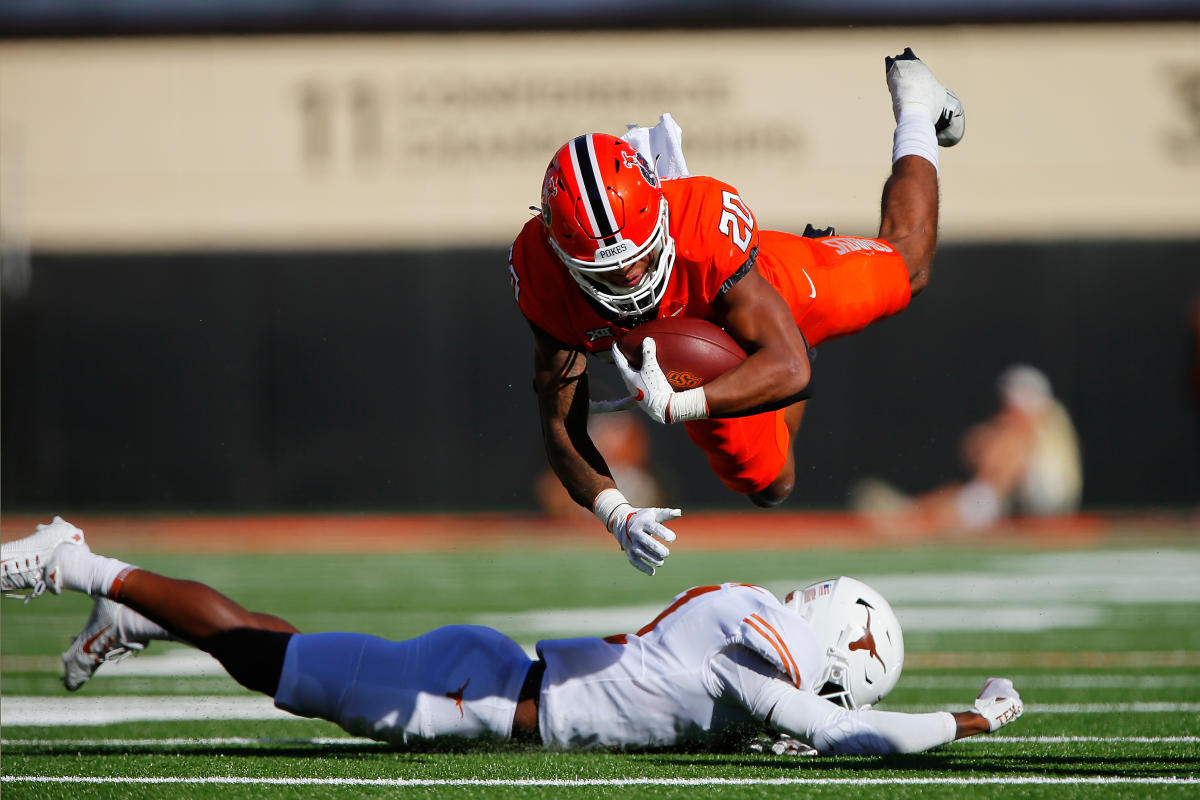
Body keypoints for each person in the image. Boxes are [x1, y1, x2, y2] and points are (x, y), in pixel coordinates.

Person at [2, 517, 1023, 754]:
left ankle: (135, 611)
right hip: (476, 695)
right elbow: (846, 733)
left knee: (293, 658)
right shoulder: (757, 644)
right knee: (280, 663)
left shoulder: (754, 617)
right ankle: (82, 561)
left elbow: (804, 713)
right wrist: (969, 718)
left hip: (492, 681)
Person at [507, 48, 966, 574]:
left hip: (755, 289)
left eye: (638, 257)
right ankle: (779, 343)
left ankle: (916, 105)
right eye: (608, 271)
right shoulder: (542, 276)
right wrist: (619, 515)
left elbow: (793, 369)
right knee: (772, 485)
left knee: (910, 267)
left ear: (660, 217)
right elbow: (561, 428)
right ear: (561, 253)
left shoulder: (700, 228)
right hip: (698, 358)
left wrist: (683, 406)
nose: (630, 278)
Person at [853, 364, 1082, 530]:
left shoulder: (1025, 428)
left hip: (1043, 502)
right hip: (1041, 502)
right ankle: (914, 512)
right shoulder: (1047, 420)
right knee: (959, 491)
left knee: (997, 462)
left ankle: (917, 515)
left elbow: (980, 452)